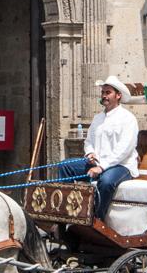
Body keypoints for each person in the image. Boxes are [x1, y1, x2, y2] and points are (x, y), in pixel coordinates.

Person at [58, 76, 138, 220]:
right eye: (103, 92)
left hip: (121, 165)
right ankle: (68, 212)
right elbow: (88, 141)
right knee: (65, 166)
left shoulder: (128, 118)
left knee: (106, 182)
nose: (104, 96)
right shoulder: (97, 118)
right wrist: (90, 153)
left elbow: (124, 150)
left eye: (108, 92)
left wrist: (102, 167)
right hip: (97, 162)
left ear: (118, 95)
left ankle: (97, 219)